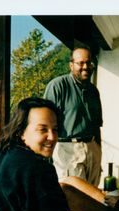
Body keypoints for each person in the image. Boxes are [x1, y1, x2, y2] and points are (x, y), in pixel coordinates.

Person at [43, 46, 103, 186]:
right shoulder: (58, 86)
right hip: (68, 149)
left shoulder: (94, 91)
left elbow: (97, 125)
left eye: (89, 63)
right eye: (80, 63)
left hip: (92, 149)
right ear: (71, 65)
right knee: (74, 198)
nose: (86, 67)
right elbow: (46, 122)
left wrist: (98, 150)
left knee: (92, 196)